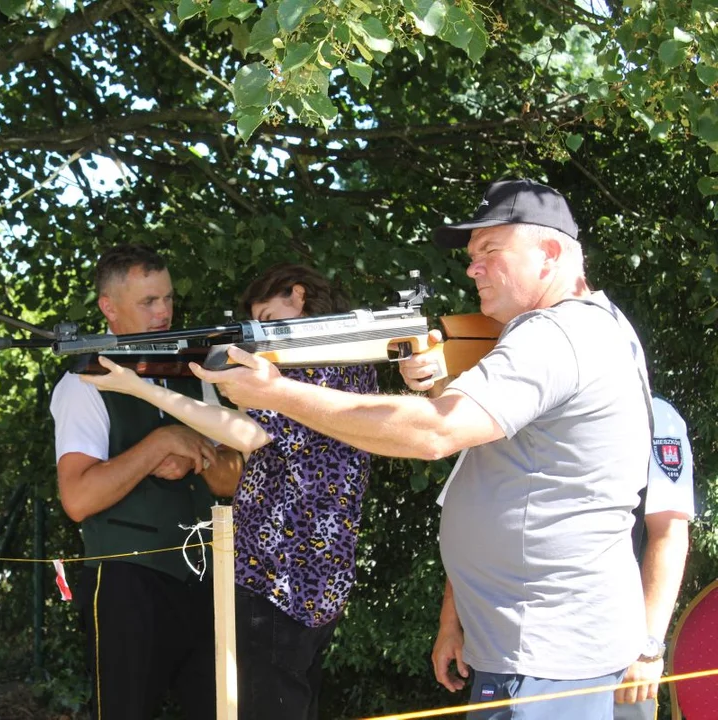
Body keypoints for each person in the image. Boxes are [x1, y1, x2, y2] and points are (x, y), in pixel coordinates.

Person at [190, 179, 653, 719]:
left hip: (549, 654)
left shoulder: (555, 335)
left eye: (490, 251)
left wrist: (275, 393)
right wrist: (456, 619)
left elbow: (436, 433)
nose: (472, 267)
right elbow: (504, 474)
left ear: (549, 253)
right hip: (532, 642)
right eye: (472, 255)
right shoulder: (586, 327)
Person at [81, 263, 378, 720]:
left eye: (270, 319)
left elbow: (247, 434)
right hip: (314, 579)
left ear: (299, 297)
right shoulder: (347, 360)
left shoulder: (314, 367)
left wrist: (142, 389)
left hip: (280, 579)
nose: (265, 338)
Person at [49, 244, 243, 720]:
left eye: (168, 299)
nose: (164, 313)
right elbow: (77, 498)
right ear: (108, 308)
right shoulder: (84, 383)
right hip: (127, 583)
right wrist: (160, 444)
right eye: (148, 302)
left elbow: (233, 478)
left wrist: (192, 455)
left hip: (208, 577)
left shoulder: (195, 373)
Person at [614, 395, 696, 719]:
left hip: (617, 652)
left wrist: (647, 648)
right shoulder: (532, 400)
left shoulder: (652, 414)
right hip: (527, 644)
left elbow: (670, 533)